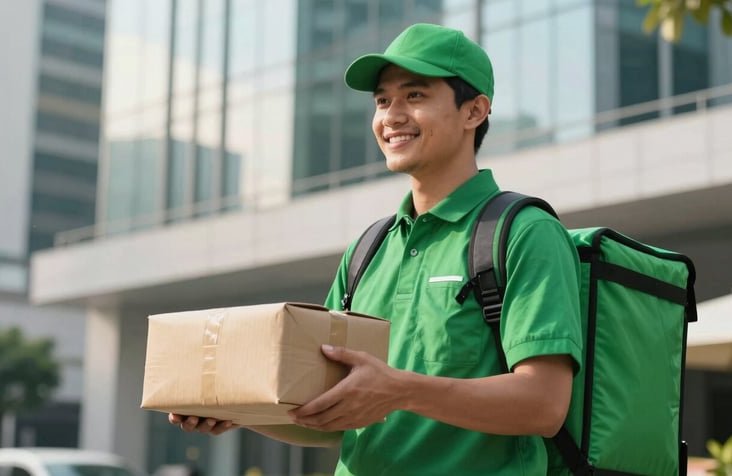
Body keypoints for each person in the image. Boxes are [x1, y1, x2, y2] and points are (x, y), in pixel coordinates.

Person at [170, 23, 582, 475]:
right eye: (383, 100)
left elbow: (544, 405)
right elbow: (328, 418)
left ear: (474, 111)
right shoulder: (367, 250)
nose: (392, 115)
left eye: (415, 96)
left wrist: (401, 390)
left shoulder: (523, 232)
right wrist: (237, 411)